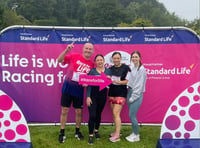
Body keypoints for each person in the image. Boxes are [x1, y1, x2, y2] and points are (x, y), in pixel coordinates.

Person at [57, 42, 94, 143]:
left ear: (92, 51)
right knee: (64, 110)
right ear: (83, 49)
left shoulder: (92, 64)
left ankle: (77, 131)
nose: (88, 50)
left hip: (79, 90)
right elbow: (59, 60)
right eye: (86, 48)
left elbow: (91, 79)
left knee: (79, 112)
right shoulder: (74, 56)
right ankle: (62, 132)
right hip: (68, 87)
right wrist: (67, 50)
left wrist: (87, 83)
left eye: (90, 49)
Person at [86, 54, 112, 145]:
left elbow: (111, 84)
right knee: (92, 115)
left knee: (98, 114)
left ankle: (96, 130)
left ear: (104, 61)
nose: (100, 61)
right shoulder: (92, 71)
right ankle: (90, 135)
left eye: (101, 60)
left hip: (103, 95)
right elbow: (88, 85)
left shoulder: (109, 71)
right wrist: (88, 96)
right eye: (98, 60)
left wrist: (110, 79)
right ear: (95, 62)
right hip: (93, 95)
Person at [108, 52, 131, 142]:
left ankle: (117, 136)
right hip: (111, 93)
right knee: (114, 114)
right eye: (114, 58)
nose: (116, 60)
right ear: (112, 59)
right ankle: (117, 131)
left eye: (118, 58)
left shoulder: (126, 68)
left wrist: (119, 82)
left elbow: (128, 81)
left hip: (121, 94)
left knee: (115, 113)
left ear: (120, 59)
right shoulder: (110, 69)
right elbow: (107, 80)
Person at [125, 50, 147, 142]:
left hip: (136, 95)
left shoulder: (141, 69)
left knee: (132, 115)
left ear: (140, 58)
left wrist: (133, 97)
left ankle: (137, 135)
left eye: (136, 57)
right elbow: (130, 80)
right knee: (132, 115)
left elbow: (139, 86)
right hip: (130, 91)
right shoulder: (133, 67)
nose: (134, 58)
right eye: (133, 57)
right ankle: (134, 132)